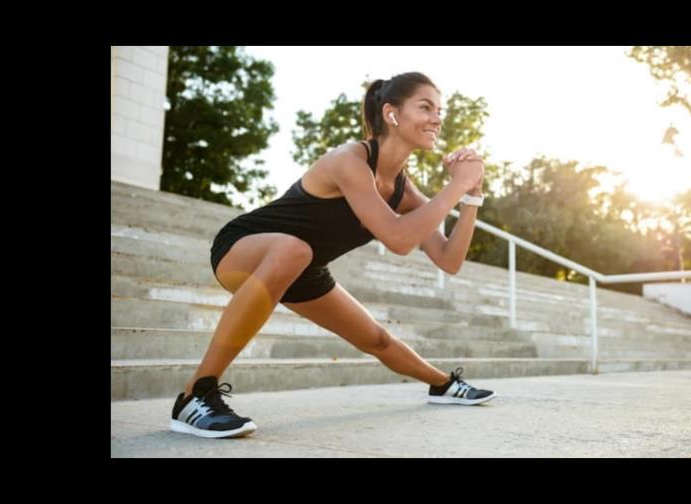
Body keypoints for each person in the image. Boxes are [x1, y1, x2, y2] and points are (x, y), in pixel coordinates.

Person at [170, 72, 495, 439]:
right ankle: (194, 396)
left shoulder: (403, 189)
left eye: (440, 110)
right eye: (425, 107)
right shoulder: (349, 160)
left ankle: (444, 385)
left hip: (302, 266)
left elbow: (449, 260)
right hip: (245, 246)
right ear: (391, 114)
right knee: (295, 248)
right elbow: (398, 239)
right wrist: (456, 184)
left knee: (377, 339)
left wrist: (472, 196)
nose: (437, 118)